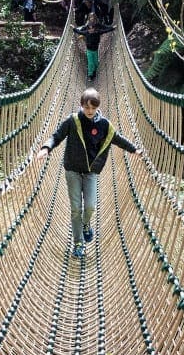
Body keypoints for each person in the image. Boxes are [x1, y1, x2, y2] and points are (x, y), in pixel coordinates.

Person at [35, 88, 141, 258]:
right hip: (73, 169)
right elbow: (56, 136)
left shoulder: (105, 125)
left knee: (90, 206)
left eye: (93, 108)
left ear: (98, 107)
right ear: (81, 106)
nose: (89, 111)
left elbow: (118, 139)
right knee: (76, 208)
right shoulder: (73, 120)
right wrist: (46, 148)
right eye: (86, 107)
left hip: (91, 171)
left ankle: (86, 224)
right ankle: (78, 242)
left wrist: (134, 149)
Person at [74, 12, 114, 81]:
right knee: (90, 63)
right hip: (89, 49)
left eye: (93, 17)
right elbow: (80, 31)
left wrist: (112, 28)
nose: (91, 30)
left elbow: (105, 30)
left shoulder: (97, 31)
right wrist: (74, 29)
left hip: (95, 49)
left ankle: (94, 72)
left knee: (96, 63)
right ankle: (90, 75)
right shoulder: (86, 31)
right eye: (90, 18)